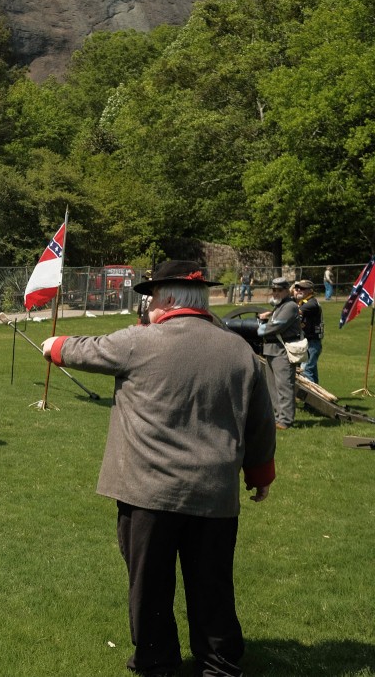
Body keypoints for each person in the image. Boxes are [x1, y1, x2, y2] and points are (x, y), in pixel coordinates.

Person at [41, 260, 276, 677]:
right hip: (215, 494)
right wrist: (260, 476)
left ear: (166, 299)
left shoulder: (139, 342)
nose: (146, 307)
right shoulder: (240, 351)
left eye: (149, 299)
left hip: (147, 493)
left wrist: (53, 344)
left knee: (149, 588)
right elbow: (260, 423)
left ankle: (156, 662)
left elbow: (82, 349)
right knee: (213, 587)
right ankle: (219, 664)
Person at [258, 276, 303, 429]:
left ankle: (285, 420)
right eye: (273, 290)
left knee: (284, 386)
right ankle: (277, 417)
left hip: (283, 351)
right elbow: (274, 320)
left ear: (286, 291)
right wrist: (268, 316)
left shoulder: (290, 306)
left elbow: (275, 327)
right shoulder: (279, 306)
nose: (275, 293)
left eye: (279, 290)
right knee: (272, 387)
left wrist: (260, 327)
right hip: (271, 350)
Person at [294, 279, 324, 384]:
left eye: (302, 288)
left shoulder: (312, 303)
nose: (298, 290)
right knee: (312, 371)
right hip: (307, 341)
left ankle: (311, 399)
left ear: (310, 291)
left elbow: (293, 311)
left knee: (306, 371)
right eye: (297, 288)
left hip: (312, 343)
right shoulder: (303, 302)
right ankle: (318, 397)